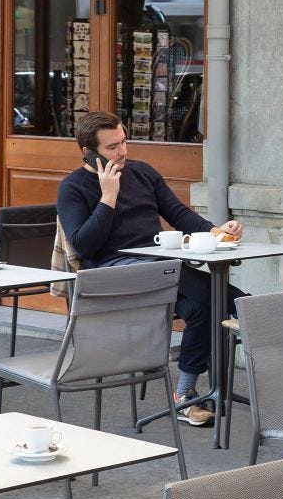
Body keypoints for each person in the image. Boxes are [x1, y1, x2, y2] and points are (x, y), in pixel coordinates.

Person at [57, 111, 244, 427]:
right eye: (112, 147)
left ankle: (187, 396)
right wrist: (108, 198)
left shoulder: (143, 173)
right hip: (116, 277)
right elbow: (83, 246)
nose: (122, 152)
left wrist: (216, 231)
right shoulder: (73, 188)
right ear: (87, 152)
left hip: (162, 270)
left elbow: (178, 214)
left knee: (204, 307)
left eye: (124, 142)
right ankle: (247, 313)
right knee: (218, 294)